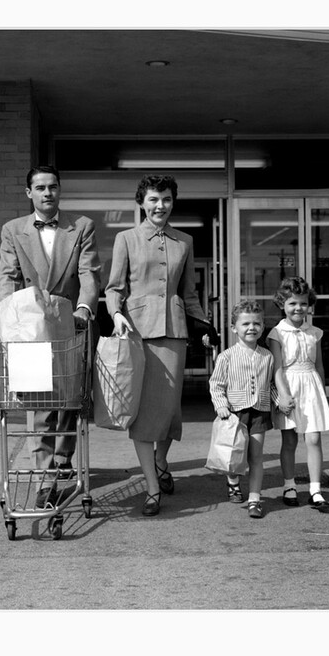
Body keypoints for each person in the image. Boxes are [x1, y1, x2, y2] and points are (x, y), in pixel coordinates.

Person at [105, 174, 217, 516]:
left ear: (173, 202)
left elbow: (189, 293)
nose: (160, 206)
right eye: (153, 199)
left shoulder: (184, 241)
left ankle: (160, 458)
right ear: (142, 202)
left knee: (169, 411)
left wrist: (204, 324)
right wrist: (115, 314)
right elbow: (114, 287)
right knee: (142, 414)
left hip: (174, 331)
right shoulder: (126, 238)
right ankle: (152, 487)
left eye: (166, 199)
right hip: (137, 332)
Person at [0, 165, 101, 495]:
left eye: (53, 186)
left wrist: (84, 307)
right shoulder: (13, 230)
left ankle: (62, 457)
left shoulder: (81, 227)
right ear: (29, 193)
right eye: (40, 188)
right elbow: (8, 277)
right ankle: (45, 478)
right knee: (41, 404)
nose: (47, 193)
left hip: (70, 322)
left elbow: (89, 273)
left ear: (60, 190)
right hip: (32, 328)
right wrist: (13, 320)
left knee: (69, 400)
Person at [267, 276, 329, 512]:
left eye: (303, 303)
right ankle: (289, 485)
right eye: (292, 303)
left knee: (314, 438)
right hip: (289, 386)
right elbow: (276, 368)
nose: (298, 308)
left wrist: (322, 395)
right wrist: (283, 396)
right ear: (282, 305)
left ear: (310, 305)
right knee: (290, 440)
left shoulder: (315, 332)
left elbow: (319, 366)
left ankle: (315, 490)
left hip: (312, 387)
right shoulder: (277, 333)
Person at [208, 300, 275, 518]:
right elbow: (216, 384)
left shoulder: (267, 356)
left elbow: (271, 384)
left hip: (260, 411)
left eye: (256, 323)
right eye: (245, 323)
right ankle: (233, 481)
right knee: (234, 455)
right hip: (234, 413)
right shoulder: (226, 356)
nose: (251, 328)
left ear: (262, 327)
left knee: (256, 457)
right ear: (234, 328)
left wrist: (279, 401)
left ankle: (255, 499)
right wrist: (221, 406)